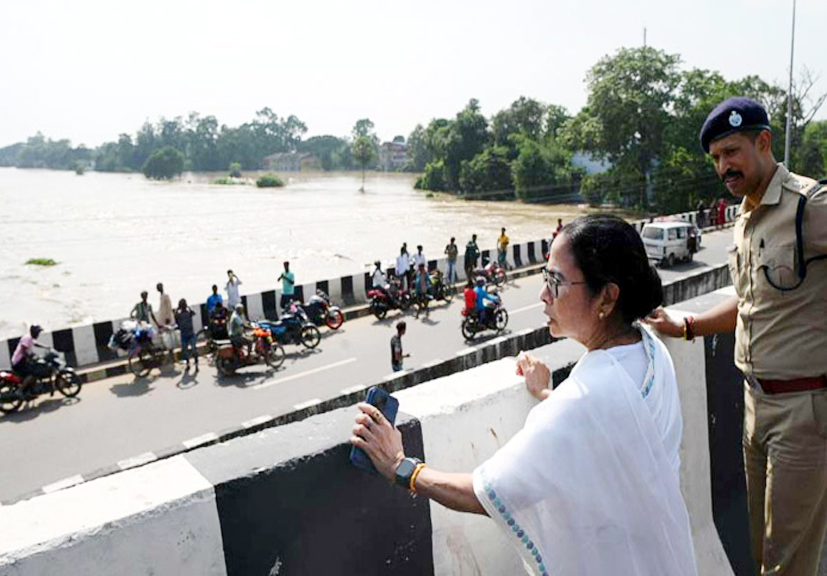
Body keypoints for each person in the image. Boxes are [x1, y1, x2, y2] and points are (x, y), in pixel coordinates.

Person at [351, 214, 697, 574]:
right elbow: (609, 427)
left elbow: (486, 492)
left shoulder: (583, 400)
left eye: (556, 281)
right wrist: (548, 393)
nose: (543, 295)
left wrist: (400, 466)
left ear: (606, 298)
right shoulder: (651, 351)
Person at [646, 96, 827, 575]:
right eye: (717, 159)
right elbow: (750, 306)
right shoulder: (746, 217)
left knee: (788, 563)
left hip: (805, 412)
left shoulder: (811, 206)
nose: (723, 166)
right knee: (761, 549)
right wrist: (686, 325)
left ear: (763, 142)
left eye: (731, 152)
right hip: (754, 407)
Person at [11, 325, 48, 396]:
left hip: (22, 361)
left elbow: (35, 343)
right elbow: (23, 351)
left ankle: (30, 389)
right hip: (18, 362)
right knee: (33, 374)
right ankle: (20, 390)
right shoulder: (27, 338)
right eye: (37, 332)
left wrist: (45, 347)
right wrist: (31, 358)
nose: (38, 334)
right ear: (33, 332)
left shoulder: (30, 337)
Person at [174, 299, 198, 370]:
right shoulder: (179, 314)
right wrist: (178, 308)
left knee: (194, 349)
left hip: (190, 334)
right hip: (184, 334)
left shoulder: (189, 312)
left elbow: (194, 313)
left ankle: (196, 364)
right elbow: (175, 317)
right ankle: (188, 364)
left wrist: (188, 308)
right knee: (185, 350)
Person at [155, 282, 175, 352]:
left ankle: (171, 349)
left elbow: (169, 307)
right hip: (163, 319)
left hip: (167, 319)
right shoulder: (161, 296)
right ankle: (168, 348)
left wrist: (168, 318)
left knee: (169, 335)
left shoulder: (165, 296)